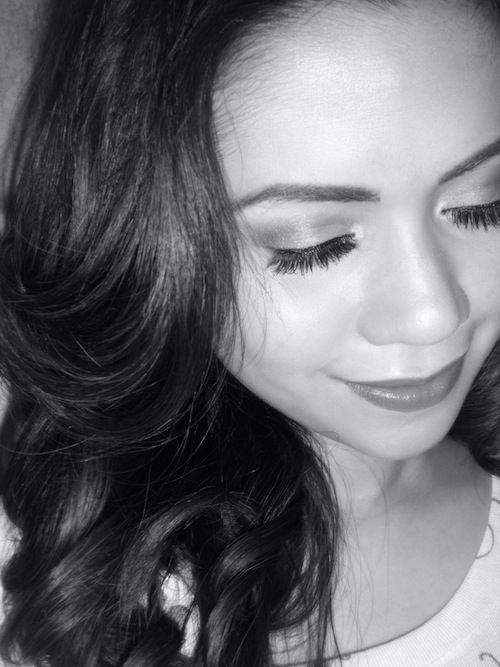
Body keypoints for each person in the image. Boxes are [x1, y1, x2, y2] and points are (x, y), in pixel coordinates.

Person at [0, 0, 500, 664]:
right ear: (148, 248)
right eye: (314, 245)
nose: (432, 312)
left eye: (482, 206)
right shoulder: (49, 542)